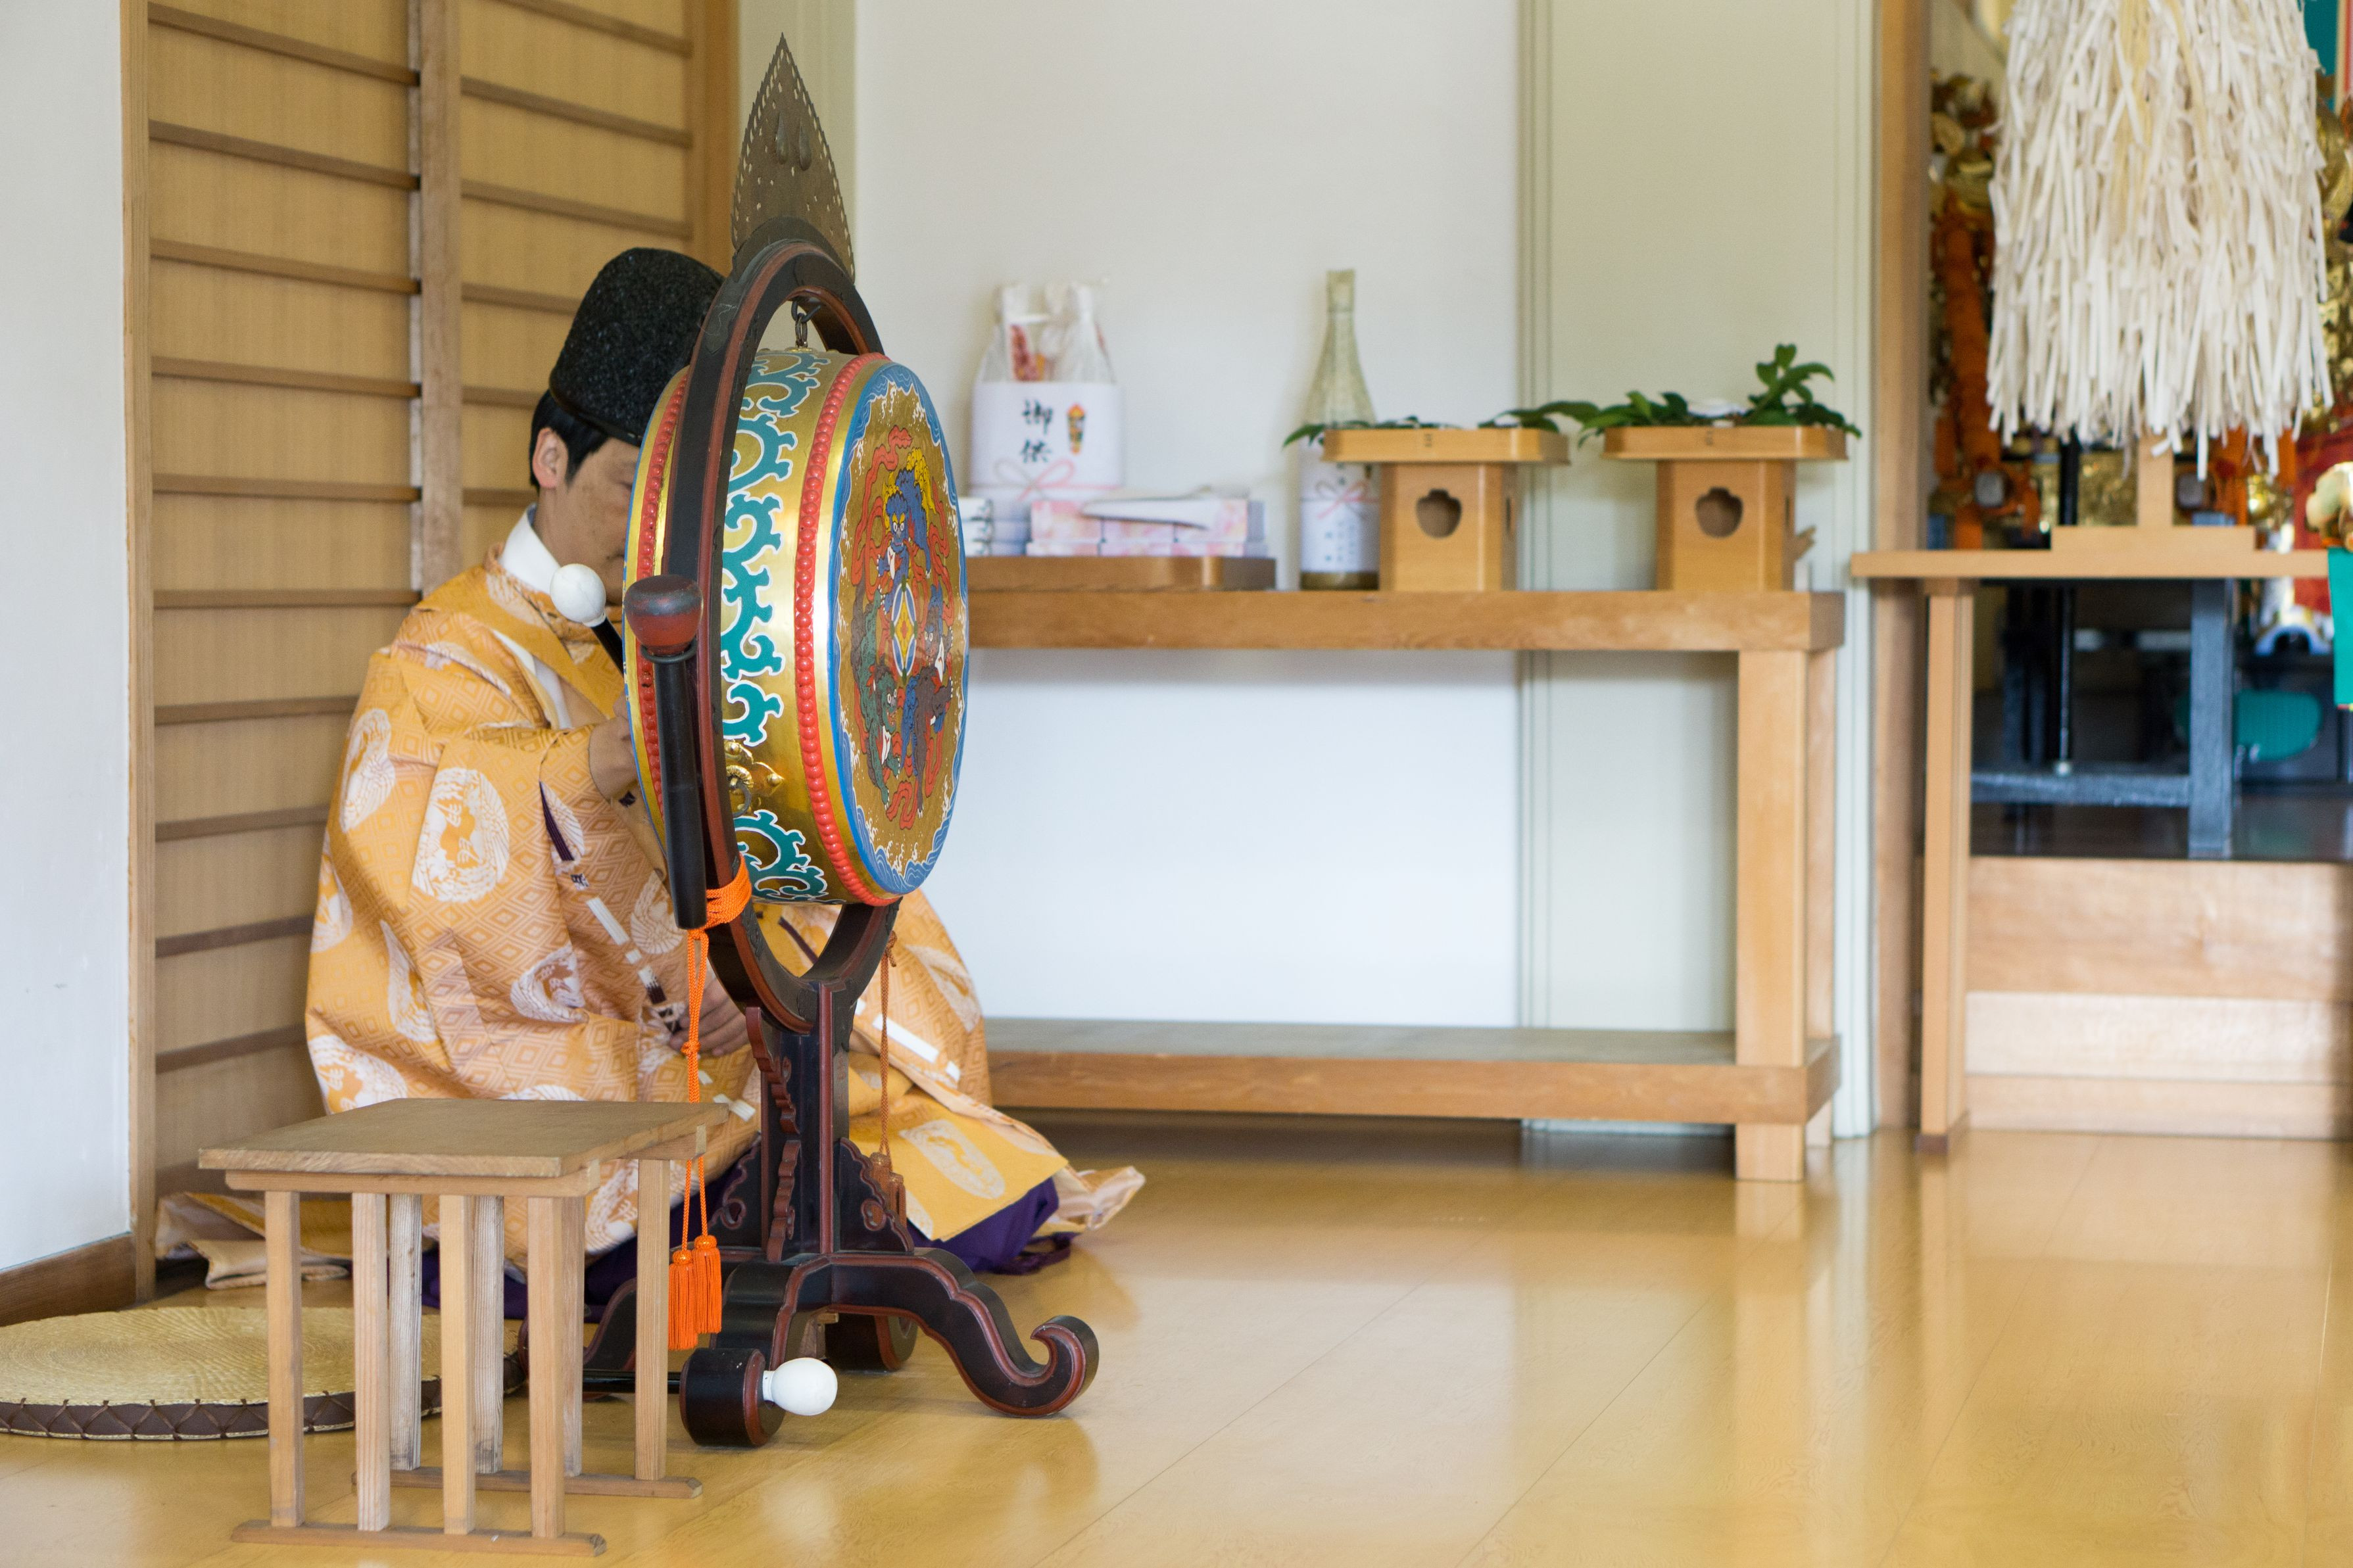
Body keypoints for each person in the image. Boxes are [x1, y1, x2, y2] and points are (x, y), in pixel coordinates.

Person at [305, 249, 1135, 1293]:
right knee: (793, 1206)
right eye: (629, 488)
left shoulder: (657, 619)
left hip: (718, 1027)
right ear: (551, 457)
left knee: (974, 1181)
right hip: (567, 1063)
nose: (651, 533)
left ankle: (789, 1186)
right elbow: (423, 841)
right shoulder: (445, 653)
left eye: (680, 506)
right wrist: (592, 762)